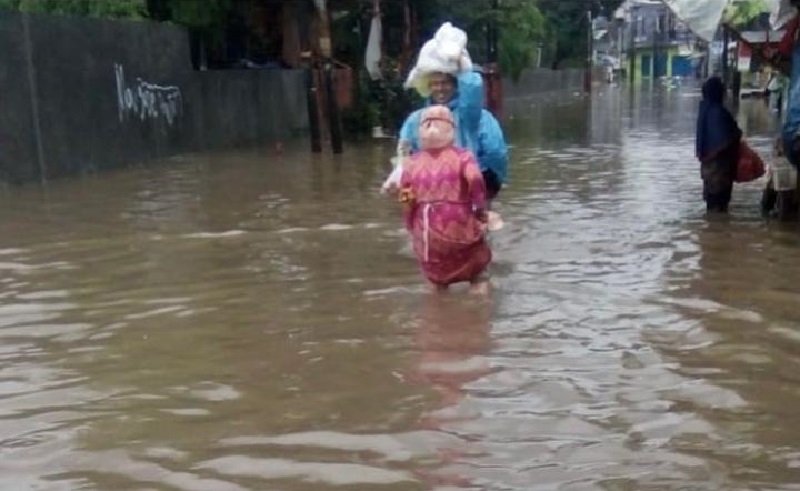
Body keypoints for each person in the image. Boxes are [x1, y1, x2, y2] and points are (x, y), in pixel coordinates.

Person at [399, 105, 491, 294]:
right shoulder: (463, 156)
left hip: (427, 228)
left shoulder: (411, 163)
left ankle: (438, 318)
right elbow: (475, 178)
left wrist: (410, 222)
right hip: (458, 223)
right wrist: (480, 208)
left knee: (436, 282)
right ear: (451, 130)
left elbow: (406, 197)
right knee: (477, 274)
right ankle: (480, 314)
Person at [398, 70, 509, 201]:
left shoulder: (478, 117)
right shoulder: (415, 120)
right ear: (428, 86)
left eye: (445, 83)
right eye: (435, 83)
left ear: (455, 85)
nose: (440, 88)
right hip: (461, 190)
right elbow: (405, 153)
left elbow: (495, 151)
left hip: (455, 188)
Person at [696, 76, 743, 213]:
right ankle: (719, 230)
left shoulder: (704, 110)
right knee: (720, 205)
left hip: (707, 168)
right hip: (720, 168)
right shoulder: (718, 112)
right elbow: (726, 139)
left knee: (712, 204)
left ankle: (714, 230)